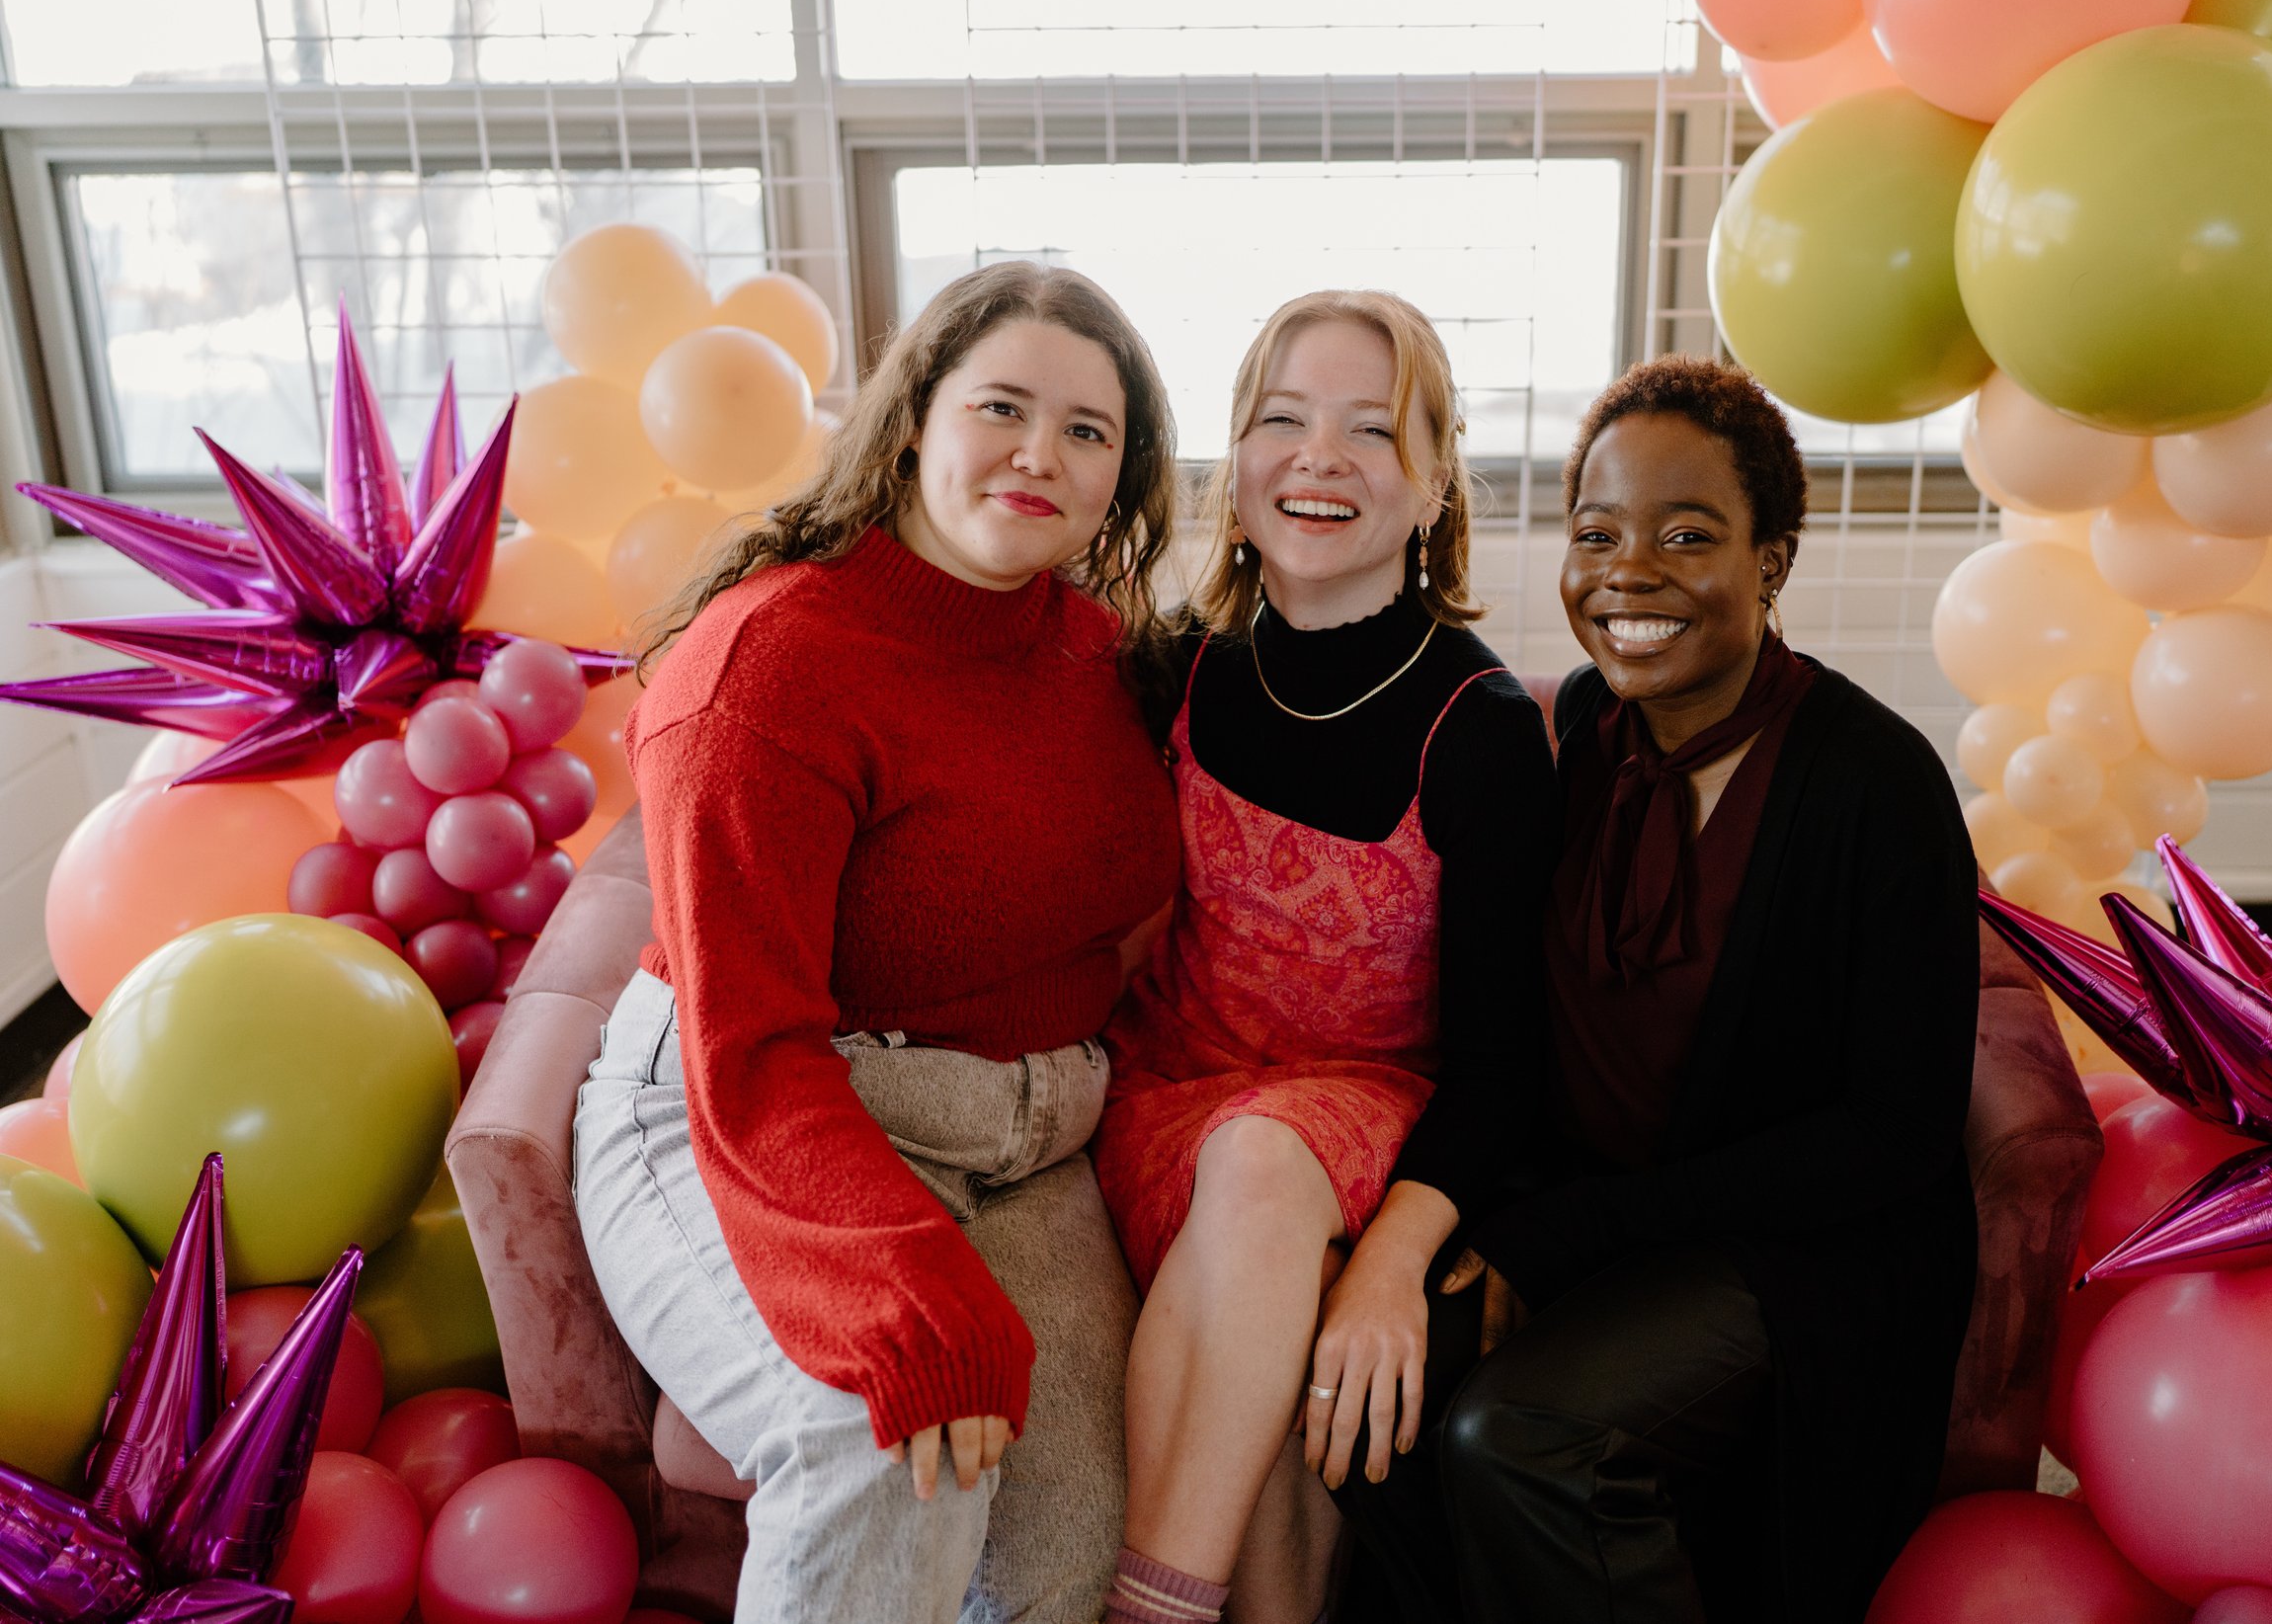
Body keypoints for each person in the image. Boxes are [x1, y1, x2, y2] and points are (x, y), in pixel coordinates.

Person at [571, 261, 1184, 1624]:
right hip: (746, 1103)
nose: (1042, 453)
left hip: (1022, 1134)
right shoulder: (766, 669)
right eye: (1004, 407)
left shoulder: (1097, 650)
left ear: (1123, 475)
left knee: (1067, 1545)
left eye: (1090, 430)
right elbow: (753, 1045)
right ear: (914, 417)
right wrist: (891, 1281)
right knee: (886, 1438)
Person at [1337, 356, 1980, 1623]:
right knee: (1377, 1389)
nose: (1628, 573)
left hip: (1799, 1252)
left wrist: (1577, 1234)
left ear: (1772, 561)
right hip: (1596, 1213)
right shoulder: (1576, 731)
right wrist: (1504, 1218)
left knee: (1521, 1433)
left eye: (1688, 534)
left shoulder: (1873, 783)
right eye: (1597, 534)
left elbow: (1892, 1136)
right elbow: (1512, 1028)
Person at [1089, 290, 1560, 1624]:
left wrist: (1393, 1263)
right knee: (1274, 1360)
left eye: (1372, 429)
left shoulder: (1479, 726)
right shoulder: (1174, 669)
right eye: (1281, 420)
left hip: (1361, 1108)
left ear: (1431, 486)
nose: (1318, 458)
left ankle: (1152, 1605)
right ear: (1234, 467)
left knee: (1262, 1167)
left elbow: (1502, 1063)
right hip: (1160, 1090)